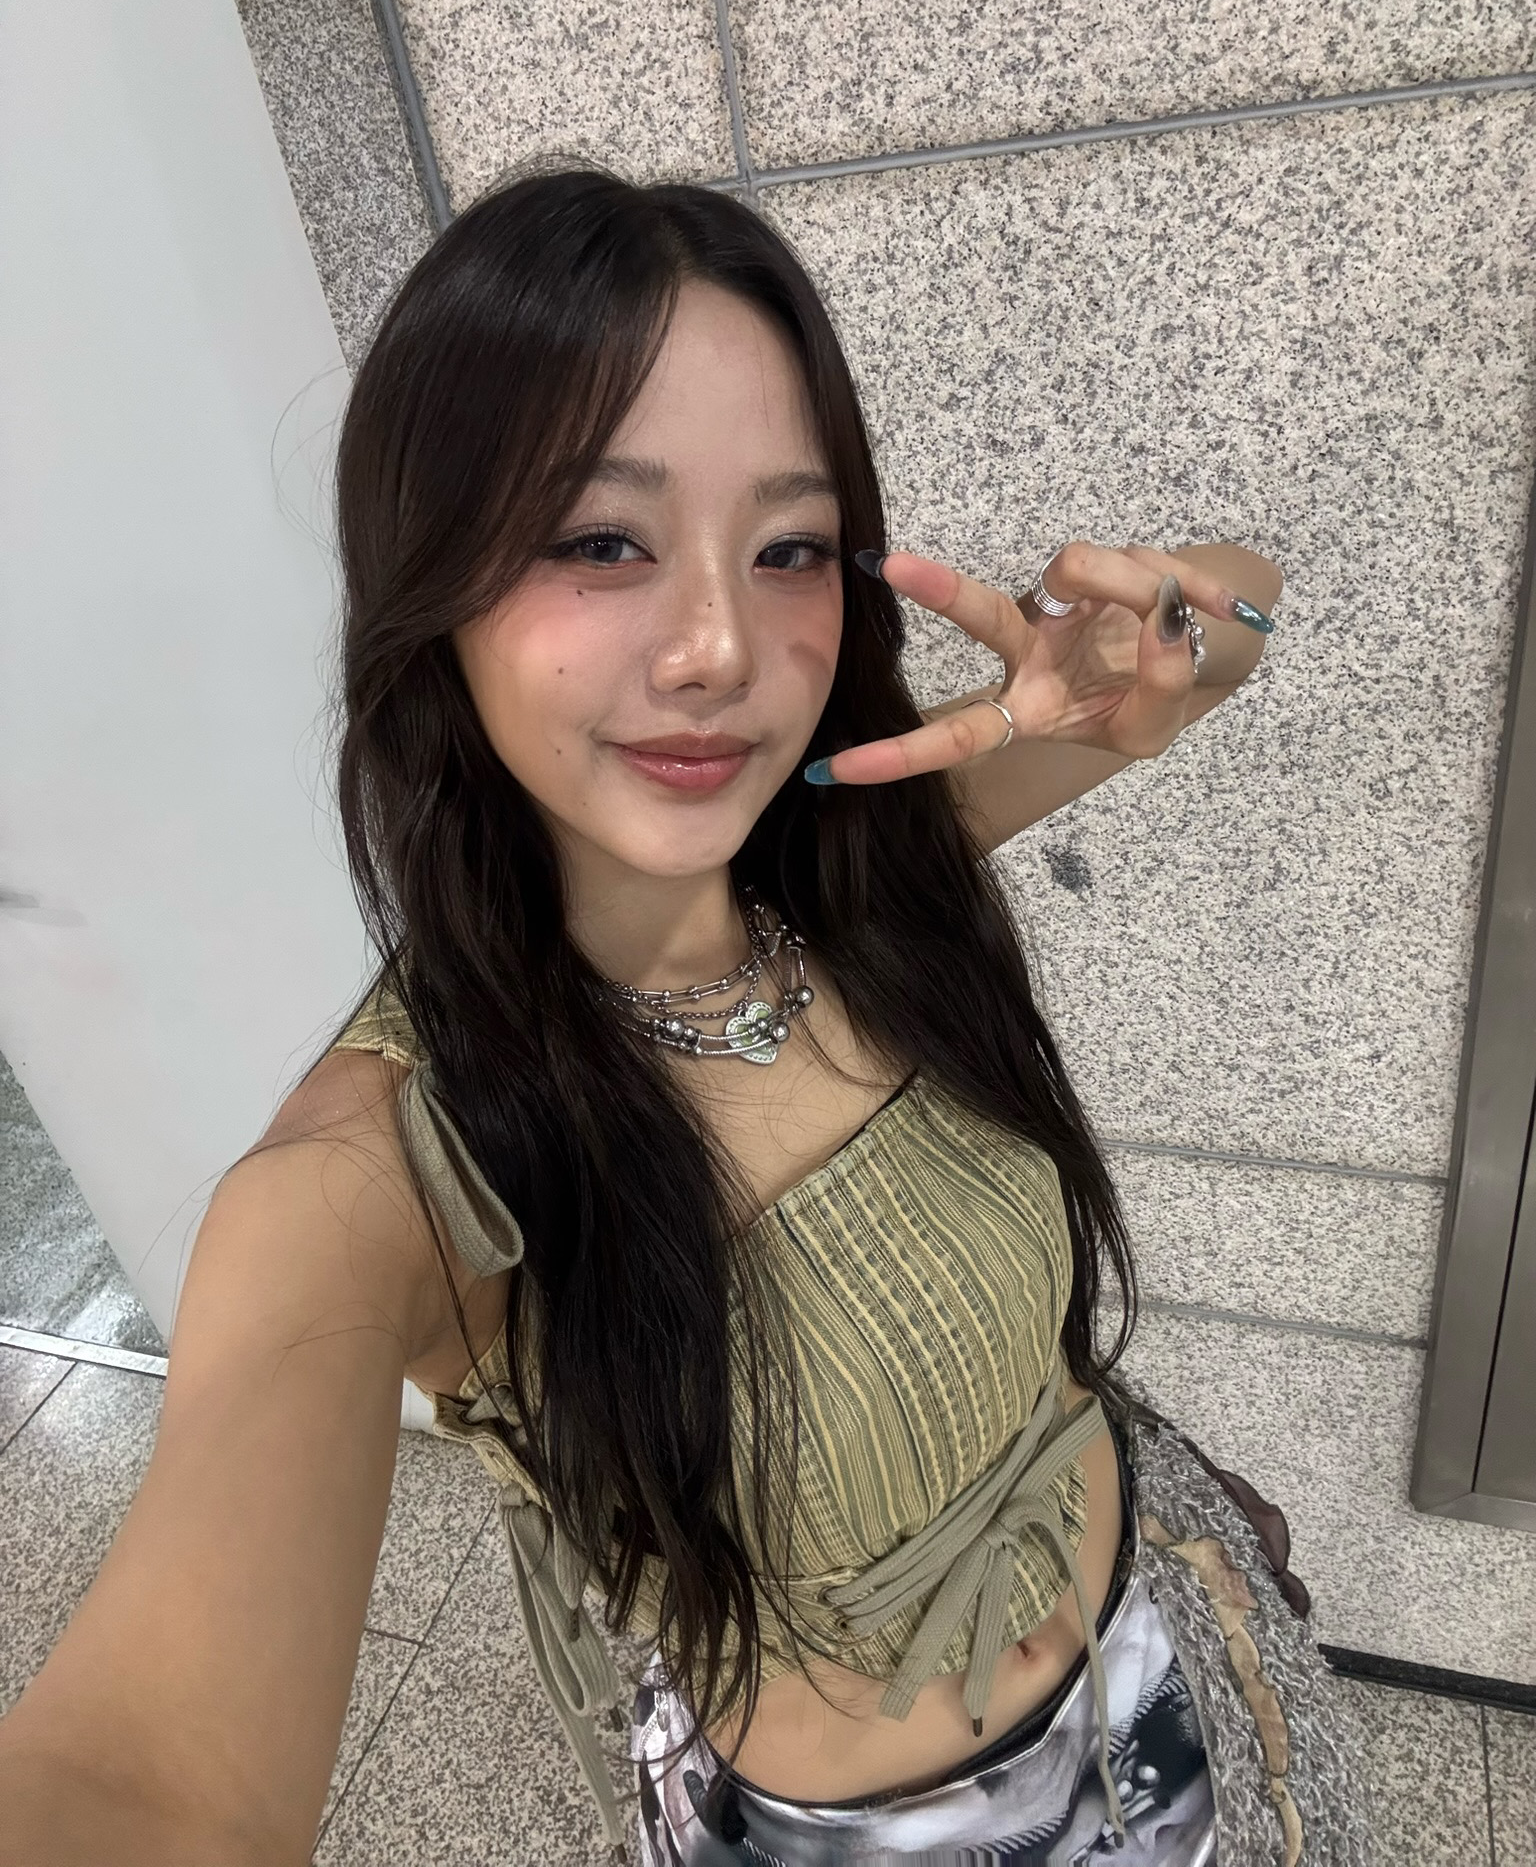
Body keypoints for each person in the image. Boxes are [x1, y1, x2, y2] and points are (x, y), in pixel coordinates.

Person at [0, 166, 1375, 1867]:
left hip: (1178, 1662)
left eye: (788, 548)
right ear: (432, 582)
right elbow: (146, 1782)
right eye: (601, 541)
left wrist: (1154, 637)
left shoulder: (860, 870)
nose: (720, 644)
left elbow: (1242, 616)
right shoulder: (387, 1175)